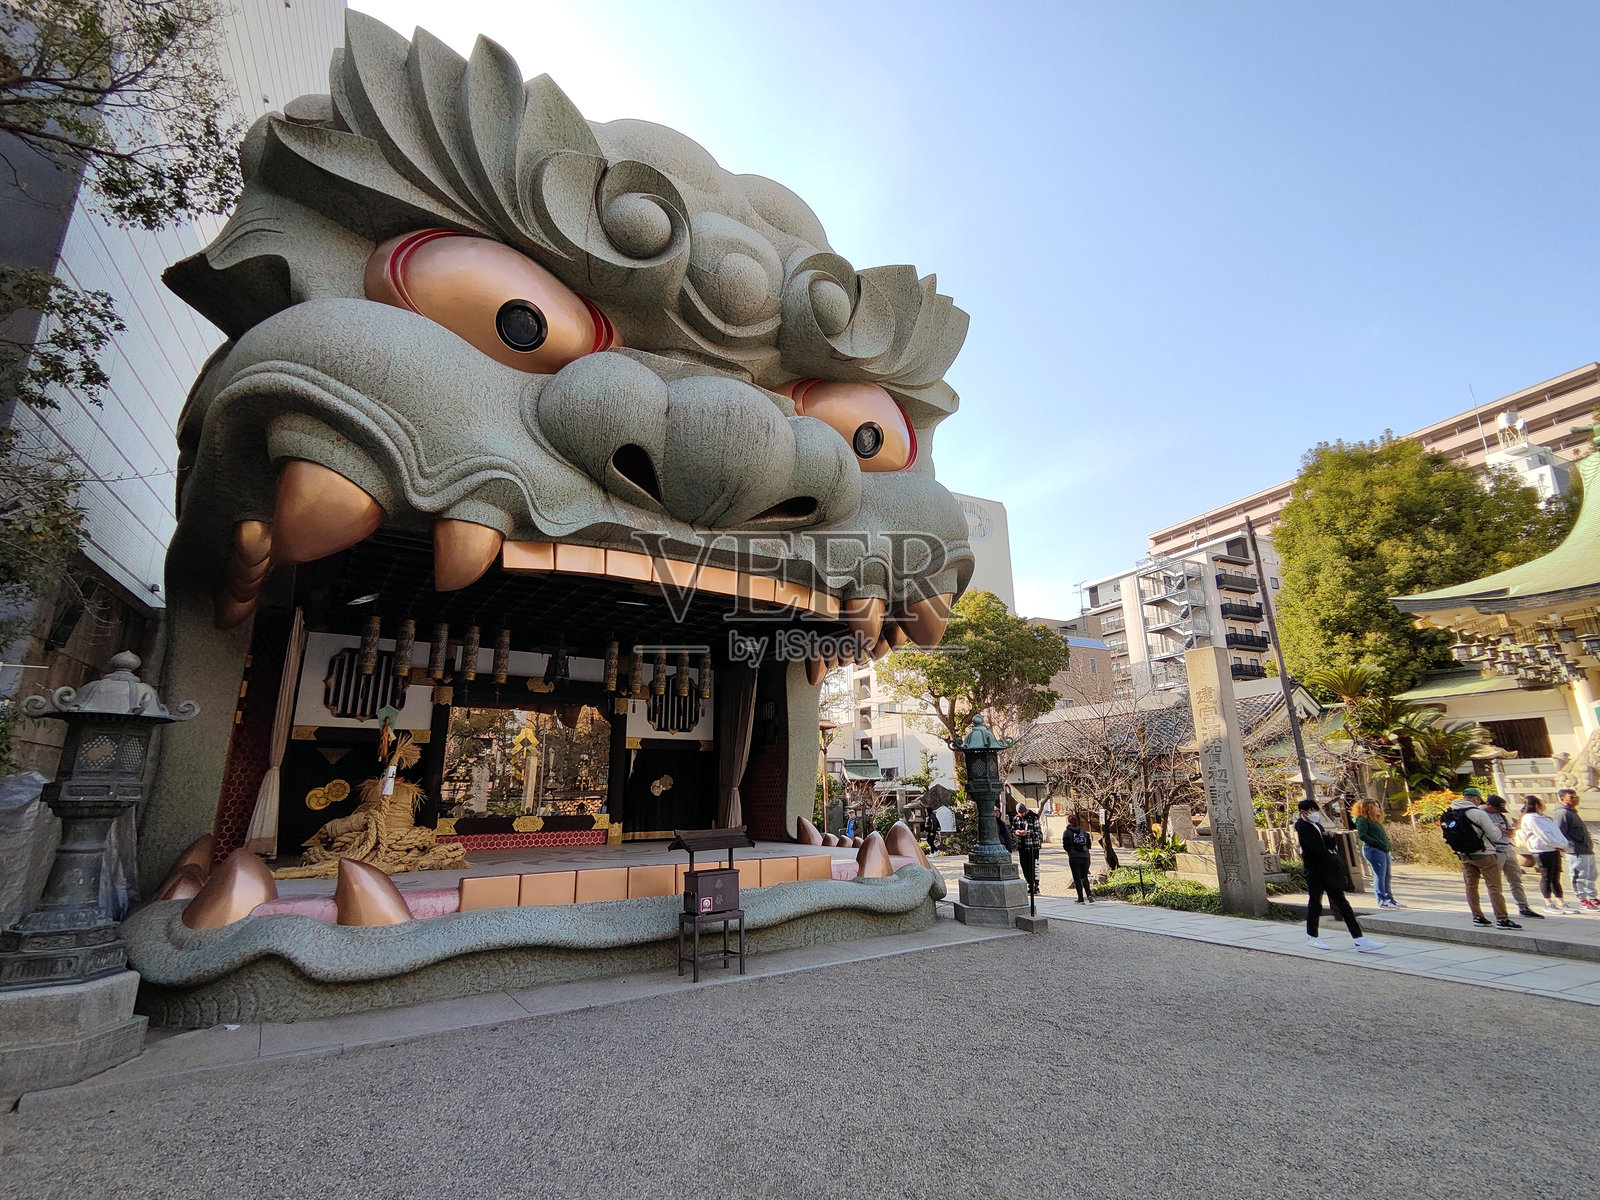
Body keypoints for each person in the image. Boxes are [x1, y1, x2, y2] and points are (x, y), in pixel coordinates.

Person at [1295, 799, 1383, 951]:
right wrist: (1325, 843)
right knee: (1315, 904)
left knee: (1342, 903)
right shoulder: (1302, 826)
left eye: (1315, 810)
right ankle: (1312, 936)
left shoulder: (1317, 824)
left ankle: (1359, 938)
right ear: (1303, 812)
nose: (1315, 813)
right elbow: (1314, 849)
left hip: (1328, 871)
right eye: (1311, 811)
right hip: (1315, 872)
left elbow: (1329, 846)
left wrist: (1329, 837)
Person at [1440, 788, 1520, 929]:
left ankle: (1477, 917)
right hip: (1484, 854)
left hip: (1464, 854)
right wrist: (1498, 830)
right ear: (1475, 799)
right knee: (1494, 886)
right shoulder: (1478, 813)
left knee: (1471, 887)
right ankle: (1502, 918)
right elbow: (1494, 835)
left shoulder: (1450, 813)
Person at [1480, 794, 1543, 919]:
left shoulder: (1500, 815)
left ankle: (1523, 906)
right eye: (1497, 808)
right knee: (1495, 883)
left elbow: (1510, 830)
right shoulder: (1480, 814)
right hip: (1495, 850)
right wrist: (1497, 831)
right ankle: (1499, 910)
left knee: (1516, 879)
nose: (1498, 811)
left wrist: (1507, 831)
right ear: (1489, 805)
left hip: (1508, 848)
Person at [1517, 796, 1573, 914]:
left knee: (1555, 876)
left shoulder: (1545, 817)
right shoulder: (1530, 818)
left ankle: (1561, 902)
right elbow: (1543, 835)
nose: (1544, 803)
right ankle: (1548, 903)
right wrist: (1559, 844)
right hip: (1541, 850)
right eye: (1542, 801)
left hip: (1554, 849)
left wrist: (1563, 844)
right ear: (1537, 804)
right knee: (1546, 876)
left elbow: (1556, 832)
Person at [1555, 789, 1598, 911]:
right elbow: (1559, 832)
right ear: (1562, 798)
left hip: (1586, 848)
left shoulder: (1573, 812)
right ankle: (1582, 899)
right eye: (1571, 797)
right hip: (1575, 850)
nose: (1575, 798)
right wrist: (1565, 846)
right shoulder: (1562, 813)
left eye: (1575, 796)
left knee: (1591, 875)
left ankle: (1592, 897)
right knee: (1579, 875)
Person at [1350, 800, 1398, 908]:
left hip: (1383, 850)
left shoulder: (1374, 820)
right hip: (1374, 850)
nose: (1378, 809)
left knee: (1387, 876)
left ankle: (1389, 898)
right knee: (1379, 876)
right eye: (1375, 807)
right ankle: (1382, 900)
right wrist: (1377, 843)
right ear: (1368, 808)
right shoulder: (1362, 820)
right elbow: (1363, 835)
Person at [1063, 812, 1094, 903]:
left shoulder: (1067, 832)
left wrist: (1070, 851)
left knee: (1077, 877)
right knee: (1084, 876)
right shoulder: (1083, 831)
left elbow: (1066, 845)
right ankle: (1089, 894)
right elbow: (1089, 844)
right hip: (1085, 856)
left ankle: (1080, 898)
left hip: (1074, 857)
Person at [1014, 802, 1043, 896]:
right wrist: (1017, 832)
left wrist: (1027, 833)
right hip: (1022, 846)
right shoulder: (1016, 818)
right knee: (1025, 867)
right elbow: (1013, 830)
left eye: (1022, 813)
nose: (1021, 815)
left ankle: (1035, 886)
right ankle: (1029, 884)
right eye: (1019, 813)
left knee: (1034, 866)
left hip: (1033, 846)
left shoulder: (1033, 818)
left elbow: (1038, 833)